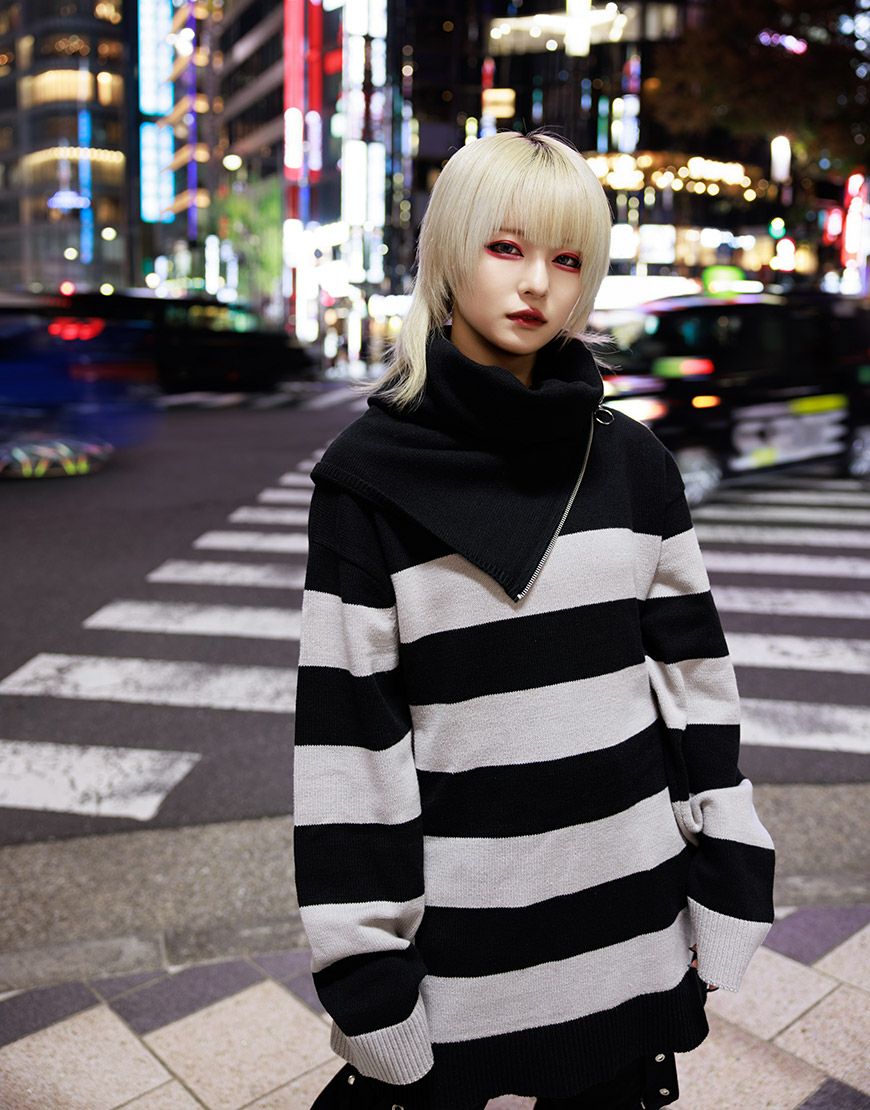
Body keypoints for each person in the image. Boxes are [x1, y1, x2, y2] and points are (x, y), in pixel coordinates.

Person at [292, 128, 776, 1110]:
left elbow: (695, 691)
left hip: (634, 924)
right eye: (506, 247)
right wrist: (370, 981)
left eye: (567, 259)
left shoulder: (632, 461)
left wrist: (729, 877)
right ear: (448, 251)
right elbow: (351, 755)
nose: (537, 285)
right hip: (467, 950)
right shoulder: (368, 481)